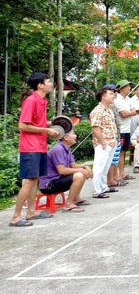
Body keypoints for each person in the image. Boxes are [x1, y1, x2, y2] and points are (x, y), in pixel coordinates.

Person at [9, 73, 60, 227]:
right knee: (29, 180)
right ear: (40, 85)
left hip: (39, 146)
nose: (51, 83)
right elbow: (22, 125)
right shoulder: (31, 101)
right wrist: (46, 130)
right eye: (49, 81)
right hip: (30, 148)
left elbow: (37, 122)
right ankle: (16, 217)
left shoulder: (42, 101)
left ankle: (31, 211)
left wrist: (55, 123)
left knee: (35, 179)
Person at [39, 129, 93, 212]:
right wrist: (82, 171)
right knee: (79, 175)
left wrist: (85, 167)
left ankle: (76, 198)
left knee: (81, 172)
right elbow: (62, 171)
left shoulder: (66, 148)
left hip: (58, 179)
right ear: (66, 138)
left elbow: (73, 165)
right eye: (73, 134)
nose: (75, 136)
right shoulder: (58, 149)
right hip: (48, 185)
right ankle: (69, 204)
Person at [90, 84, 119, 198]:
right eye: (110, 94)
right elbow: (95, 127)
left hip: (111, 141)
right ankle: (96, 190)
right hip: (103, 143)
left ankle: (103, 186)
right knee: (99, 166)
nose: (113, 96)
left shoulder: (109, 109)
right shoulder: (98, 110)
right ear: (103, 97)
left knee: (106, 166)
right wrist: (102, 142)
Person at [112, 79, 137, 185]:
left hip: (127, 129)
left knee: (124, 152)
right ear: (121, 88)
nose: (129, 88)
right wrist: (131, 112)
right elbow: (123, 114)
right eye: (127, 86)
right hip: (121, 129)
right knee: (119, 152)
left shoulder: (128, 99)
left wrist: (130, 112)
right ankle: (117, 175)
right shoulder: (117, 100)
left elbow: (134, 111)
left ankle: (122, 173)